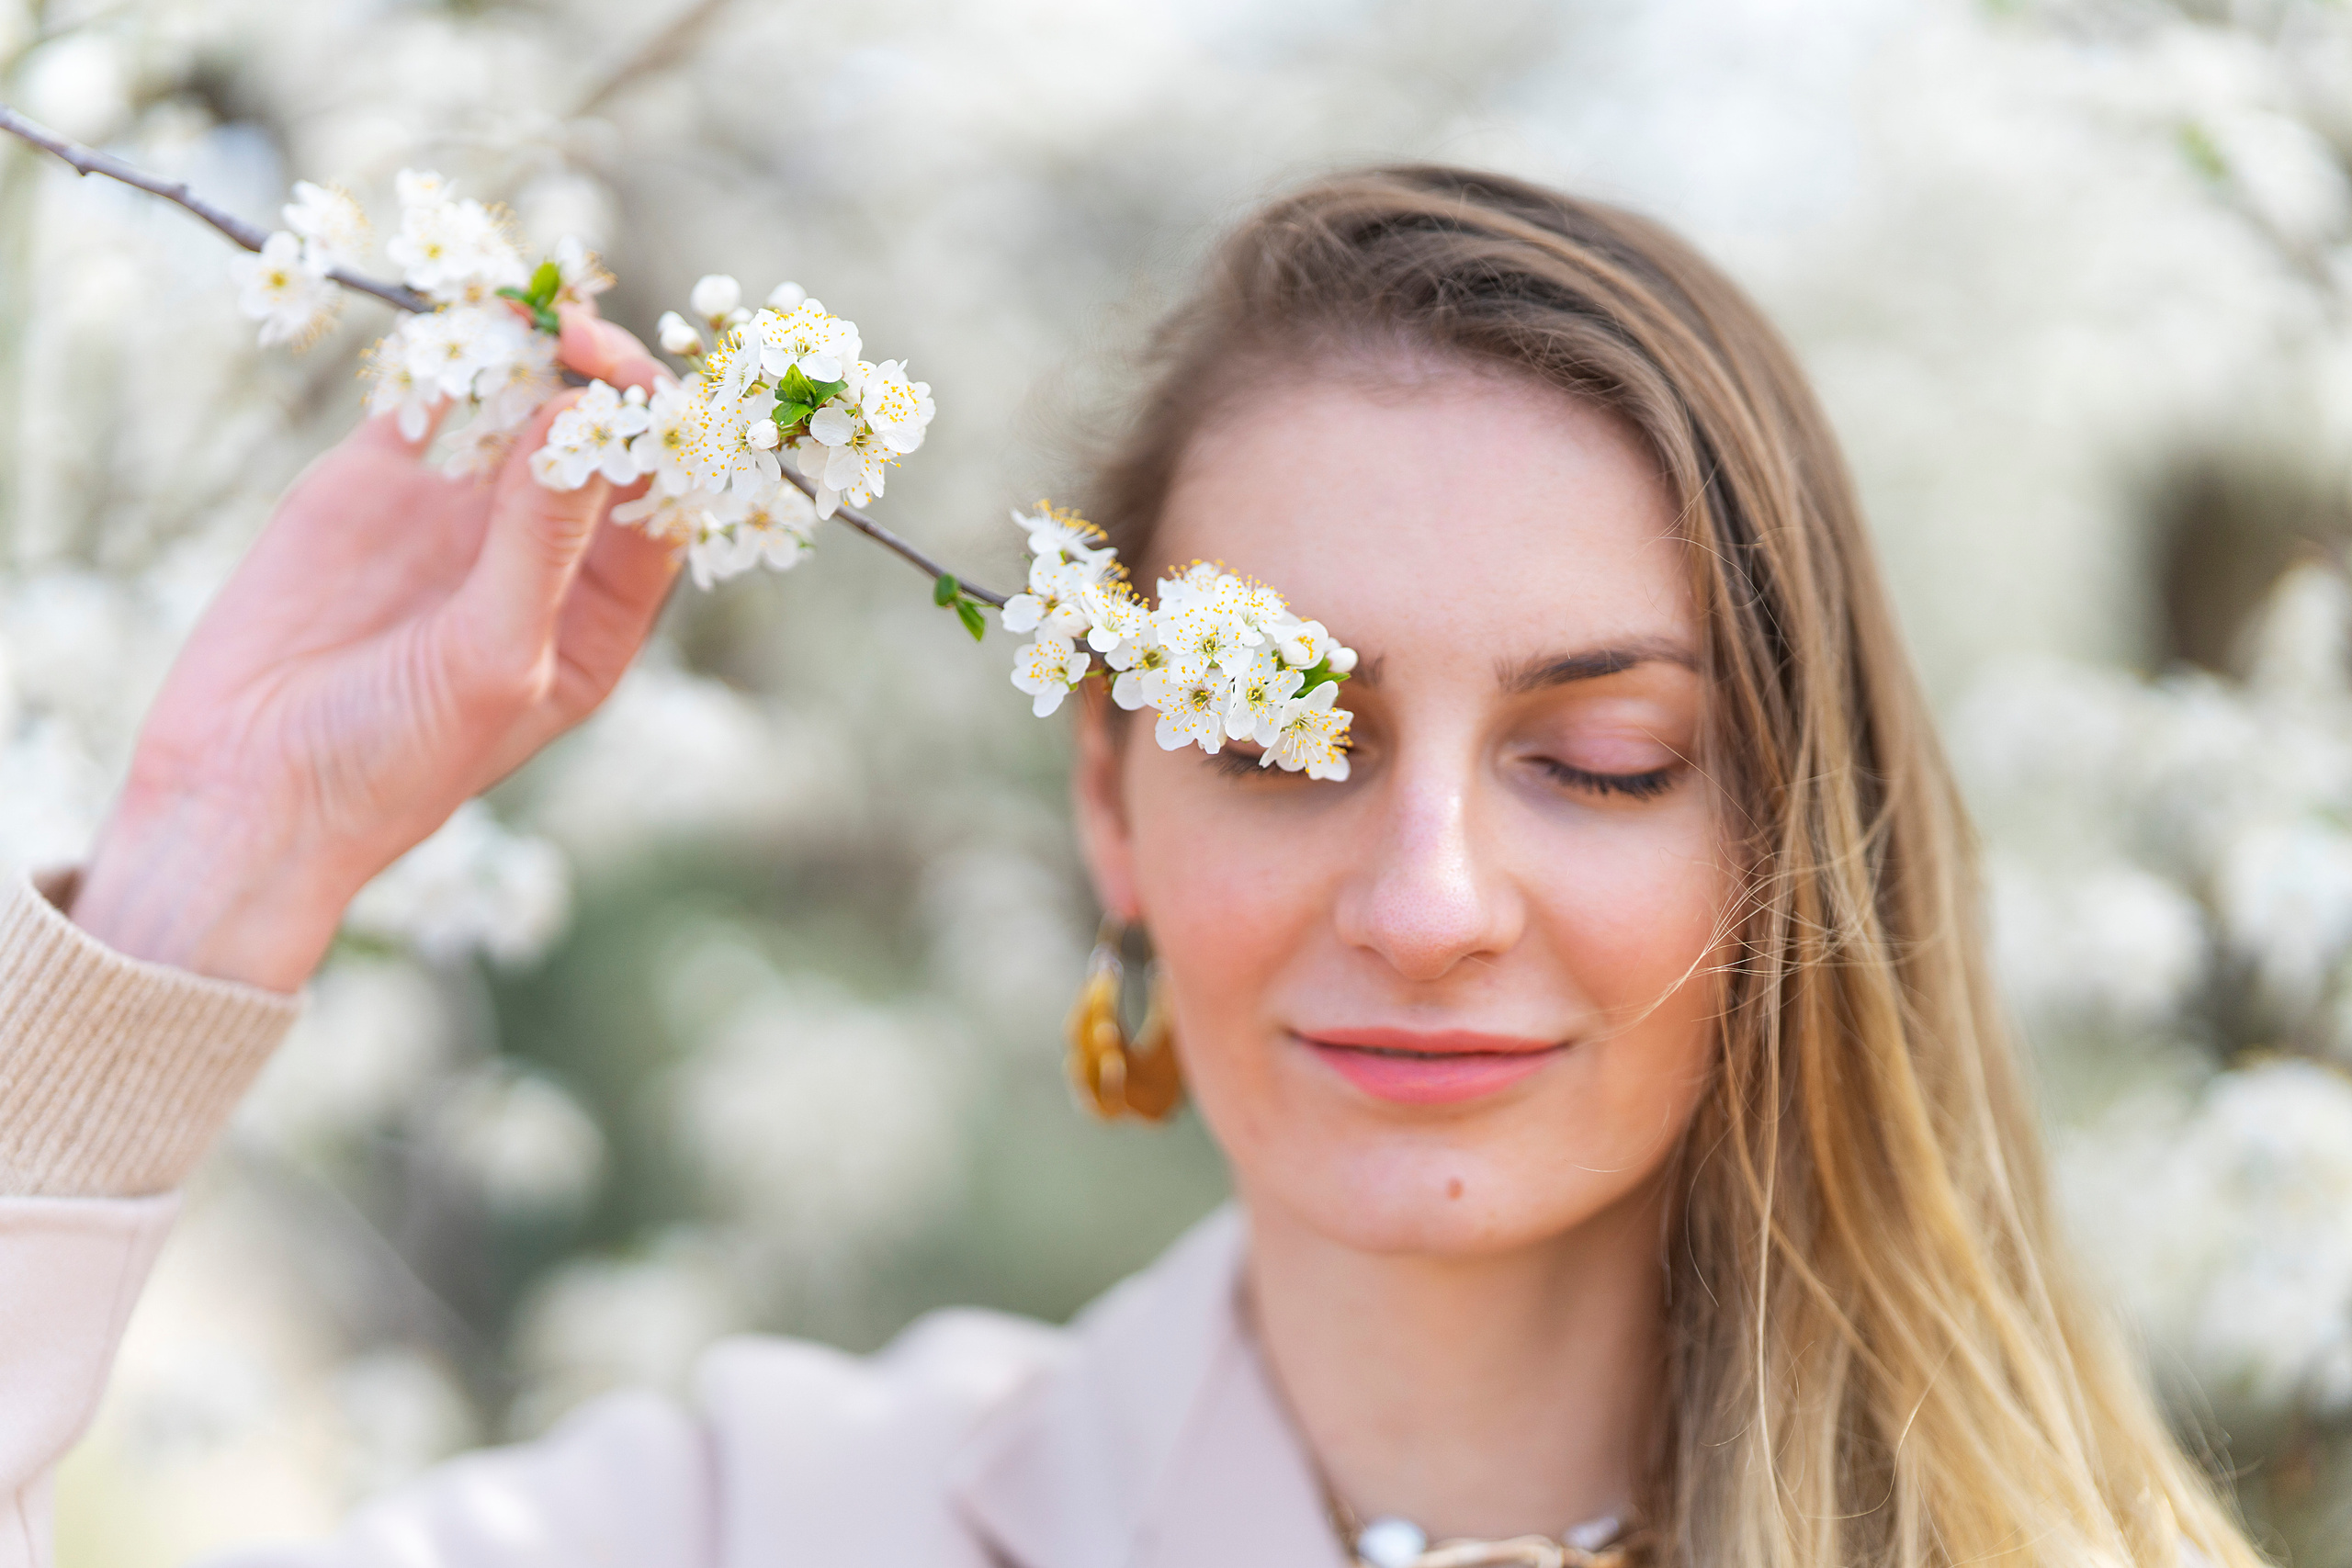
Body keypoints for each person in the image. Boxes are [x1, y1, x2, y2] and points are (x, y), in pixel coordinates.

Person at [0, 165, 2258, 1567]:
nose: (1430, 893)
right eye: (1291, 748)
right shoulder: (759, 1528)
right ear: (1112, 803)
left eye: (1598, 757)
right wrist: (208, 874)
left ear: (1787, 845)